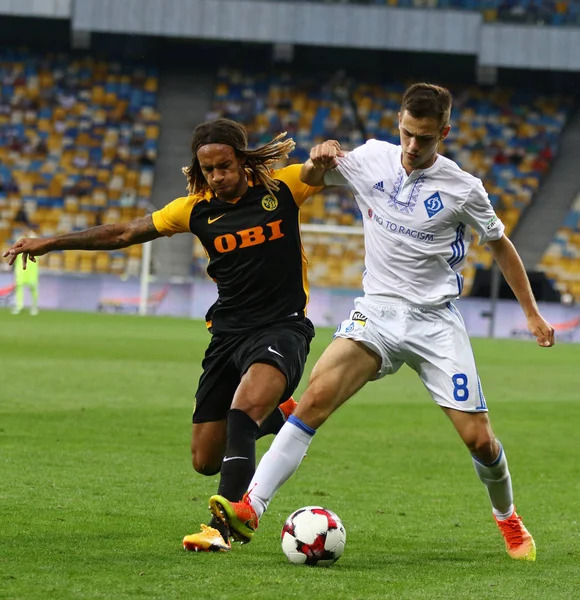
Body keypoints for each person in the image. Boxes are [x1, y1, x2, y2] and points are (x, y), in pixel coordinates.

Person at [208, 84, 555, 561]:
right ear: (398, 123)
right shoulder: (371, 158)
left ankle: (508, 517)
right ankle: (251, 506)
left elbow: (500, 246)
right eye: (408, 134)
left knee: (480, 440)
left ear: (445, 133)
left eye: (426, 139)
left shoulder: (464, 189)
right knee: (313, 401)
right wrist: (319, 157)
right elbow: (311, 177)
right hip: (378, 311)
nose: (414, 146)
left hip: (435, 323)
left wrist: (532, 313)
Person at [3, 118, 321, 553]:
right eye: (207, 169)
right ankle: (283, 415)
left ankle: (224, 525)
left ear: (242, 160)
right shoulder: (194, 209)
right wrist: (52, 242)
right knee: (205, 460)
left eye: (224, 166)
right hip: (227, 335)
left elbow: (335, 172)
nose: (216, 177)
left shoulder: (283, 188)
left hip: (282, 325)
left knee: (244, 409)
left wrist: (329, 154)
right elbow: (124, 233)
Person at [11, 228, 40, 315]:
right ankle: (19, 306)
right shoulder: (20, 243)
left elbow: (36, 239)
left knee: (33, 288)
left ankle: (34, 307)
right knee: (19, 288)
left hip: (32, 270)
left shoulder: (35, 244)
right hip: (20, 270)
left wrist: (31, 233)